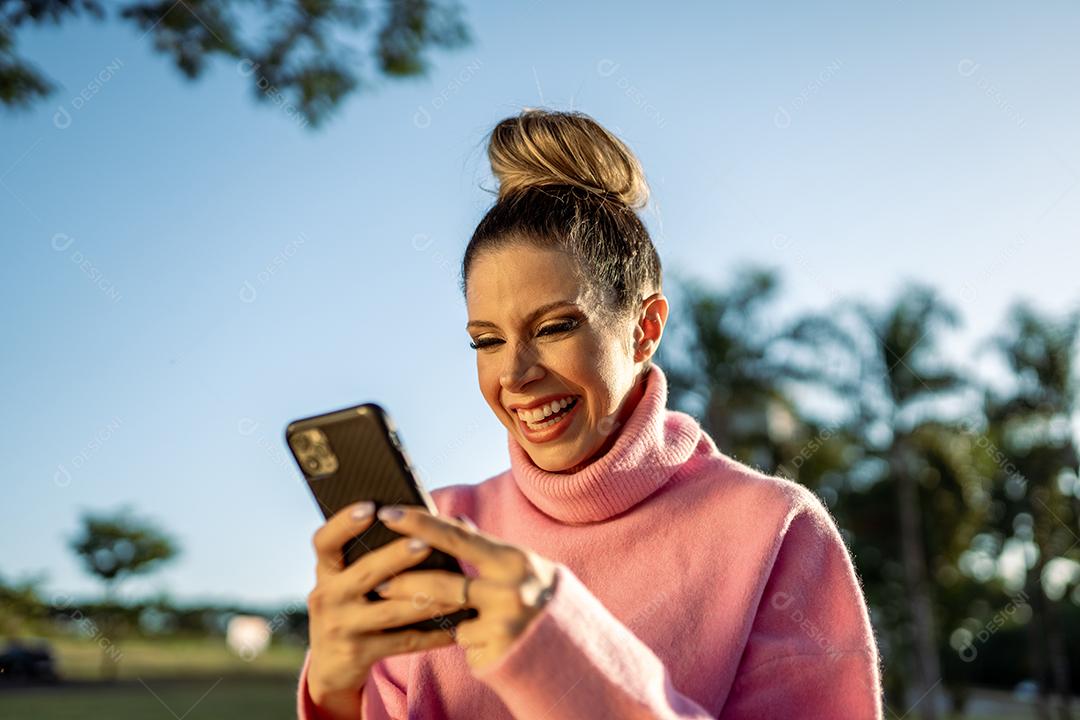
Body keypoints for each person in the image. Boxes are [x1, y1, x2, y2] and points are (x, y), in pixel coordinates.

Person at [296, 108, 883, 719]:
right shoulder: (438, 529)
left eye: (554, 327)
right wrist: (337, 698)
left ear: (644, 328)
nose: (515, 375)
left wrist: (559, 661)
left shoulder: (774, 529)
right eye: (487, 341)